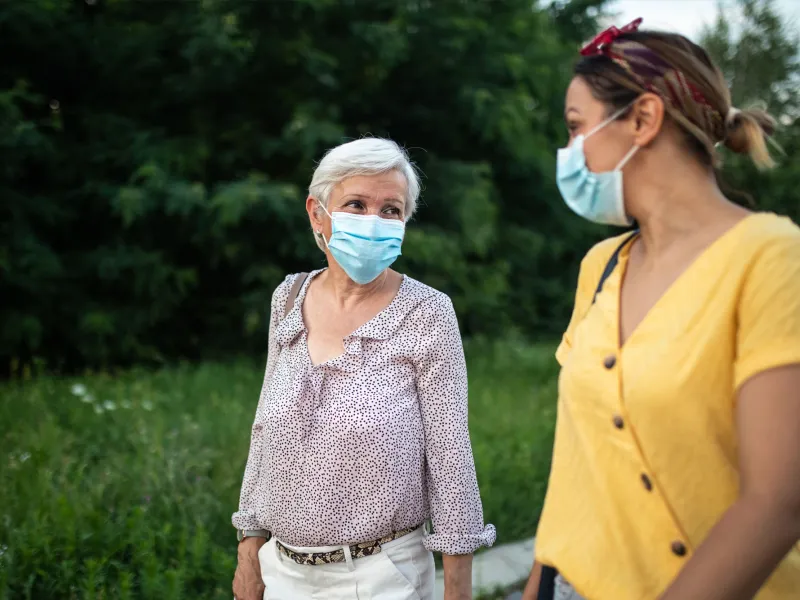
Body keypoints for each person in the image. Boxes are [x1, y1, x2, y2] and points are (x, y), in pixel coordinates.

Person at [521, 18, 800, 600]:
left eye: (577, 128)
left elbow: (778, 502)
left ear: (643, 119)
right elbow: (578, 456)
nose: (569, 153)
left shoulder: (773, 259)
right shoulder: (600, 266)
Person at [231, 137, 495, 600]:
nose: (374, 221)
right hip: (282, 573)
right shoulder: (288, 298)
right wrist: (248, 554)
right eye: (356, 204)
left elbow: (451, 460)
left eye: (390, 210)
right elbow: (262, 435)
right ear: (318, 213)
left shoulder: (428, 313)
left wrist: (458, 591)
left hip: (382, 577)